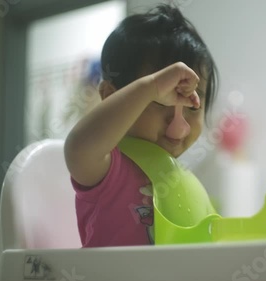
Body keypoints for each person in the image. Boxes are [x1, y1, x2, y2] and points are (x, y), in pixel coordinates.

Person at [64, 4, 218, 247]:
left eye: (192, 105)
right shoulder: (106, 167)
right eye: (159, 100)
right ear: (111, 96)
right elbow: (77, 148)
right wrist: (150, 87)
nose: (178, 125)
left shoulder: (185, 183)